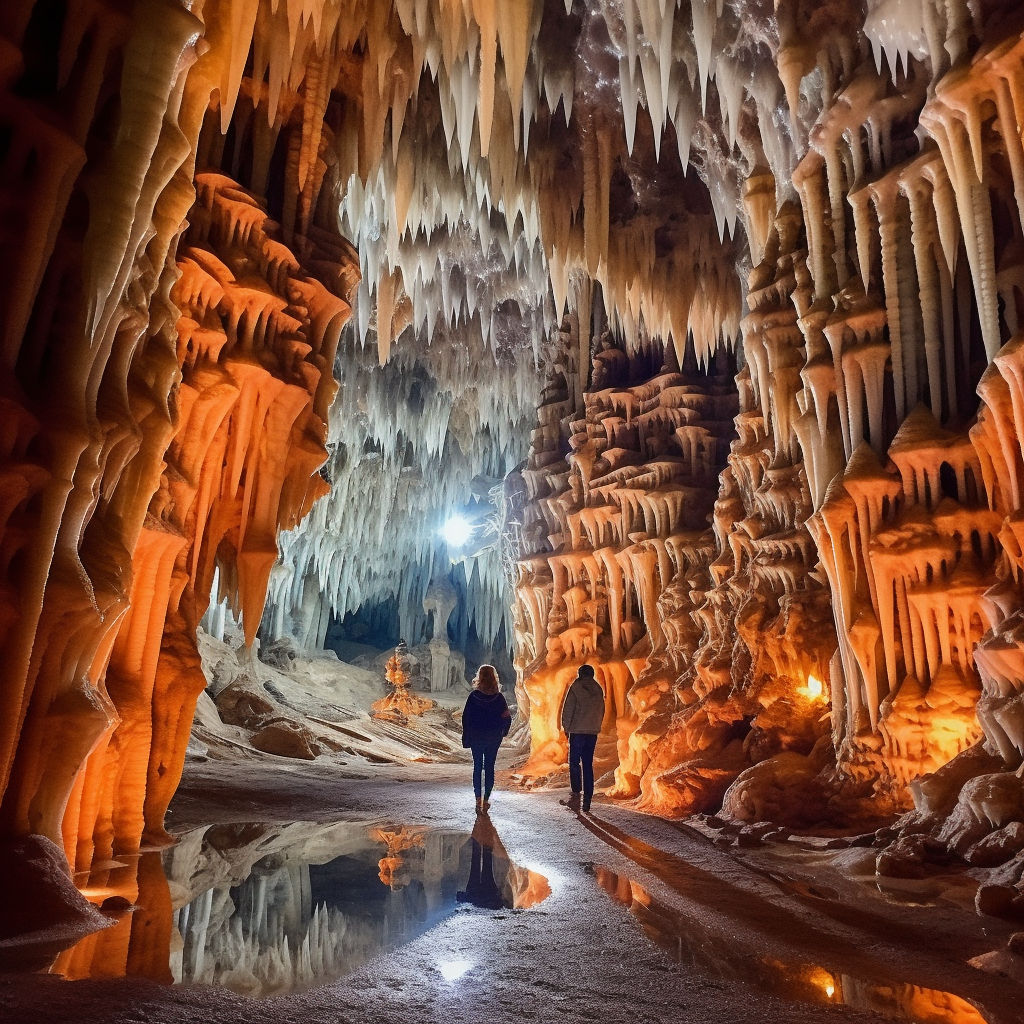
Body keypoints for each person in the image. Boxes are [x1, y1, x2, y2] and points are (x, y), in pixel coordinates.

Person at [461, 665, 512, 813]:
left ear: (479, 677)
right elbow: (507, 717)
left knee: (477, 767)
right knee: (489, 767)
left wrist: (467, 735)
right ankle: (486, 800)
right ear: (494, 677)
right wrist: (504, 732)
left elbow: (466, 718)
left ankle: (478, 799)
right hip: (493, 737)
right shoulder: (499, 698)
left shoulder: (473, 697)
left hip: (477, 736)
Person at [560, 664, 605, 813]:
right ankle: (588, 794)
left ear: (580, 674)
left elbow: (568, 709)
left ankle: (576, 791)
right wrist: (596, 726)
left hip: (577, 731)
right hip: (591, 732)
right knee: (587, 763)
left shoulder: (576, 687)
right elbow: (601, 710)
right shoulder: (598, 689)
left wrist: (566, 727)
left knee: (574, 761)